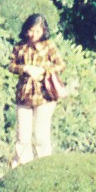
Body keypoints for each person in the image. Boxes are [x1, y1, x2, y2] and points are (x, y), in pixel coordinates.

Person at [9, 13, 65, 165]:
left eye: (38, 31)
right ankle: (24, 166)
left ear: (43, 31)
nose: (34, 35)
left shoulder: (49, 45)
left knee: (41, 136)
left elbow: (61, 64)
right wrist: (25, 69)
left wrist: (43, 70)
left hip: (44, 96)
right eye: (31, 31)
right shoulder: (20, 46)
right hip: (24, 95)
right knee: (22, 137)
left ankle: (44, 165)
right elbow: (11, 66)